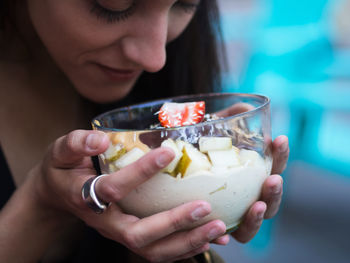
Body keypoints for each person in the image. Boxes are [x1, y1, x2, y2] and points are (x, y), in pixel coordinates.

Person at [0, 0, 289, 262]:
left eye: (185, 5)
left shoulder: (174, 63)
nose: (155, 59)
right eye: (113, 7)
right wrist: (44, 205)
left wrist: (181, 243)